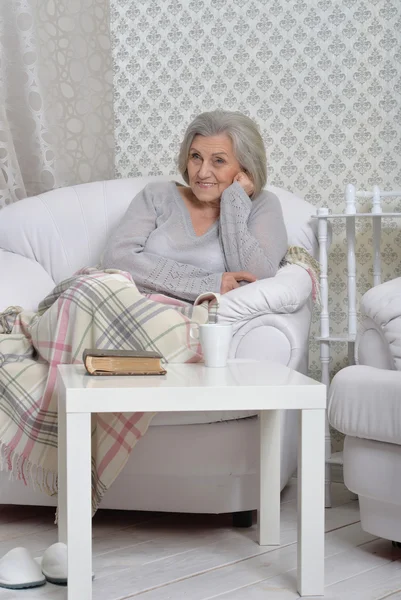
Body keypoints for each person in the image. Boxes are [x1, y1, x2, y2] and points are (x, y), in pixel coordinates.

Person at [102, 110, 288, 302]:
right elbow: (116, 259)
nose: (202, 172)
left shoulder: (262, 205)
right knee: (82, 289)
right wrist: (209, 284)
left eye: (219, 161)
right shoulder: (157, 195)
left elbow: (256, 279)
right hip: (131, 306)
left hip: (194, 322)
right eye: (196, 157)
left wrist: (234, 201)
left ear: (246, 169)